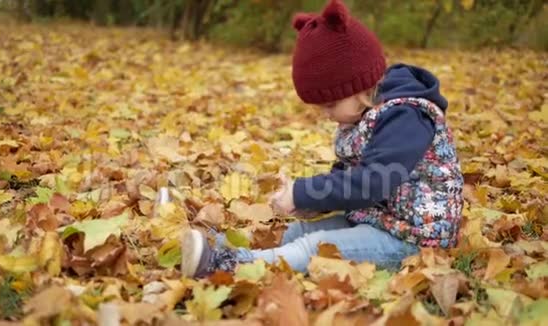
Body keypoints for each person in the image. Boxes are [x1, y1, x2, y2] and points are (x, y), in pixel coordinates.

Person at [180, 0, 464, 278]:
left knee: (316, 249)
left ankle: (230, 266)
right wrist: (311, 203)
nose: (326, 114)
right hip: (382, 220)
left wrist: (303, 191)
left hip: (414, 240)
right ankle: (222, 248)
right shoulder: (363, 113)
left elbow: (371, 182)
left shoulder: (406, 116)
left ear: (359, 87)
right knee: (299, 232)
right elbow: (348, 181)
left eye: (329, 105)